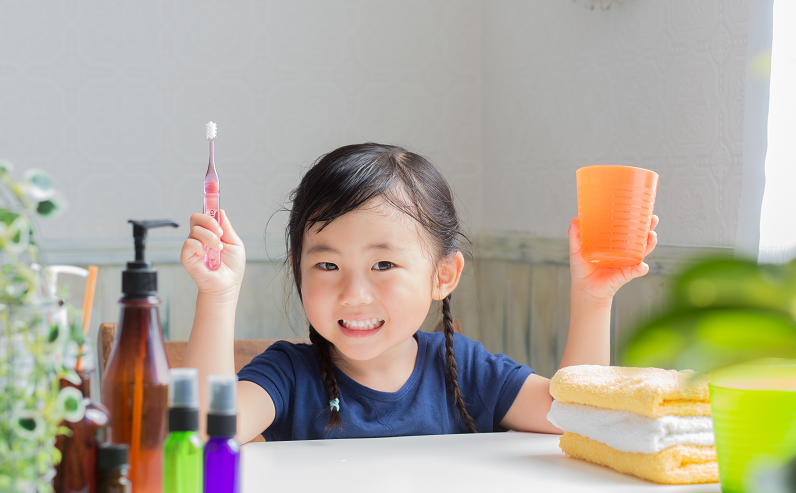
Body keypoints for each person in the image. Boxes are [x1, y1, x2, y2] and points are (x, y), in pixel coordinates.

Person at [180, 143, 658, 442]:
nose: (354, 292)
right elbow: (204, 433)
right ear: (298, 271)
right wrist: (218, 297)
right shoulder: (288, 375)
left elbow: (575, 418)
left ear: (443, 276)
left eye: (383, 264)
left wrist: (594, 300)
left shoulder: (465, 371)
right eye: (327, 264)